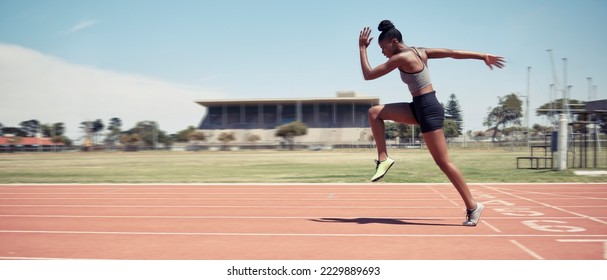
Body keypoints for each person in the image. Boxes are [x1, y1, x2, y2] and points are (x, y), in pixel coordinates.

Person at [359, 20, 505, 226]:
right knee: (374, 113)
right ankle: (383, 158)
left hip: (427, 109)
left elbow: (368, 75)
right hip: (419, 106)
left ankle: (473, 206)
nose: (383, 53)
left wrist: (362, 48)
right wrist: (482, 56)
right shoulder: (420, 51)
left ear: (393, 41)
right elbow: (451, 52)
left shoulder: (402, 57)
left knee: (443, 162)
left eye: (383, 48)